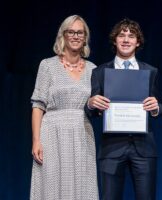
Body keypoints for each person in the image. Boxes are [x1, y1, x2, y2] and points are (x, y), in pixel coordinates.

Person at [85, 18, 160, 200]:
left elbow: (159, 105)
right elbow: (92, 112)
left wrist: (156, 108)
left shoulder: (150, 71)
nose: (126, 40)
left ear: (138, 42)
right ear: (114, 40)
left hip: (143, 148)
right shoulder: (100, 72)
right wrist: (91, 103)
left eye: (131, 36)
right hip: (111, 148)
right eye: (121, 35)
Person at [30, 15, 98, 200]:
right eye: (71, 32)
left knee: (83, 184)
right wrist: (36, 140)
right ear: (63, 35)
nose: (75, 36)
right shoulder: (48, 66)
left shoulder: (93, 69)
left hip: (82, 133)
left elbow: (95, 108)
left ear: (85, 37)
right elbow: (38, 105)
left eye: (80, 33)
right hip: (52, 133)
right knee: (51, 183)